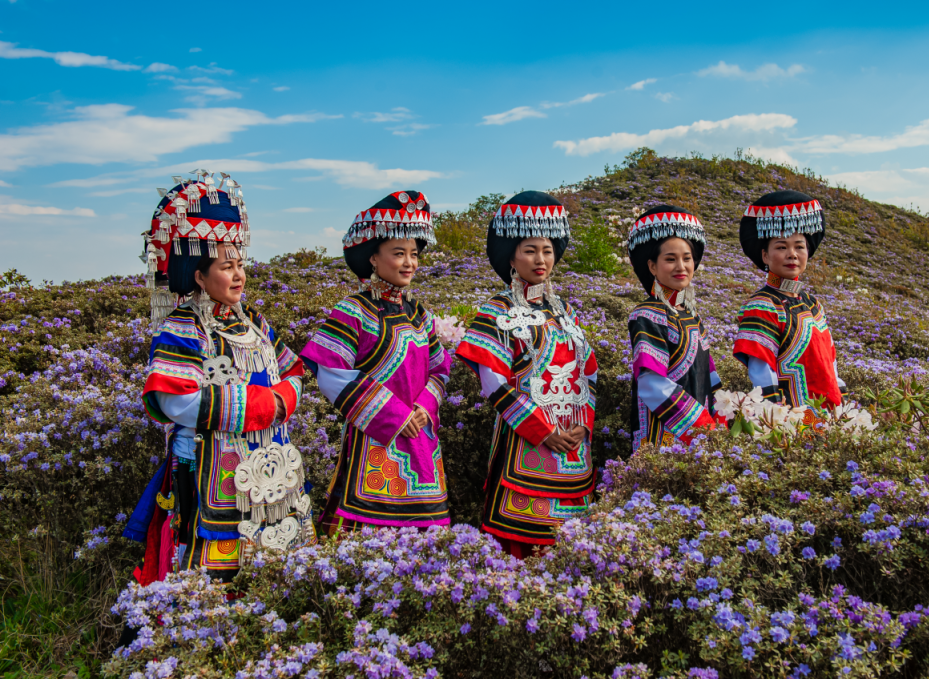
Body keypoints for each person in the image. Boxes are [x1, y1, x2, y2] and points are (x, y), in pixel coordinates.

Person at [126, 170, 312, 584]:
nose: (239, 275)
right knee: (213, 572)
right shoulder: (182, 327)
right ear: (198, 275)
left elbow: (294, 369)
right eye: (227, 267)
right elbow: (177, 401)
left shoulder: (256, 322)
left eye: (240, 264)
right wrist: (267, 404)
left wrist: (283, 398)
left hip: (271, 468)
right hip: (214, 469)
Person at [456, 191, 597, 559]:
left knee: (572, 552)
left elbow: (588, 371)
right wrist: (543, 431)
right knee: (520, 551)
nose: (541, 259)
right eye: (530, 250)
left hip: (573, 448)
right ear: (511, 257)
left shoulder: (565, 310)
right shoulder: (497, 310)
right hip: (526, 441)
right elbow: (492, 382)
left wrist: (583, 423)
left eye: (548, 250)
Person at [300, 191, 452, 533]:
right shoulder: (353, 310)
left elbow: (440, 368)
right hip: (375, 439)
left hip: (421, 441)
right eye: (399, 254)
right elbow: (331, 374)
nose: (409, 263)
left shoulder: (419, 314)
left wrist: (424, 408)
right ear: (373, 258)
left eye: (414, 254)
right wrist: (395, 415)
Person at [733, 190, 847, 423]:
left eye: (799, 247)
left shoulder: (812, 304)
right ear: (765, 255)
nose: (792, 255)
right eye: (782, 247)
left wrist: (844, 408)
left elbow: (830, 363)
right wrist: (776, 419)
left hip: (831, 416)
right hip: (793, 422)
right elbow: (762, 372)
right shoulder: (763, 306)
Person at [627, 205, 724, 450]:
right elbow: (650, 383)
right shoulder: (647, 315)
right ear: (652, 266)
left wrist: (724, 412)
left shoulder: (691, 316)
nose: (681, 266)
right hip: (665, 435)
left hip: (702, 433)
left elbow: (709, 375)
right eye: (670, 259)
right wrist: (702, 427)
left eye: (687, 258)